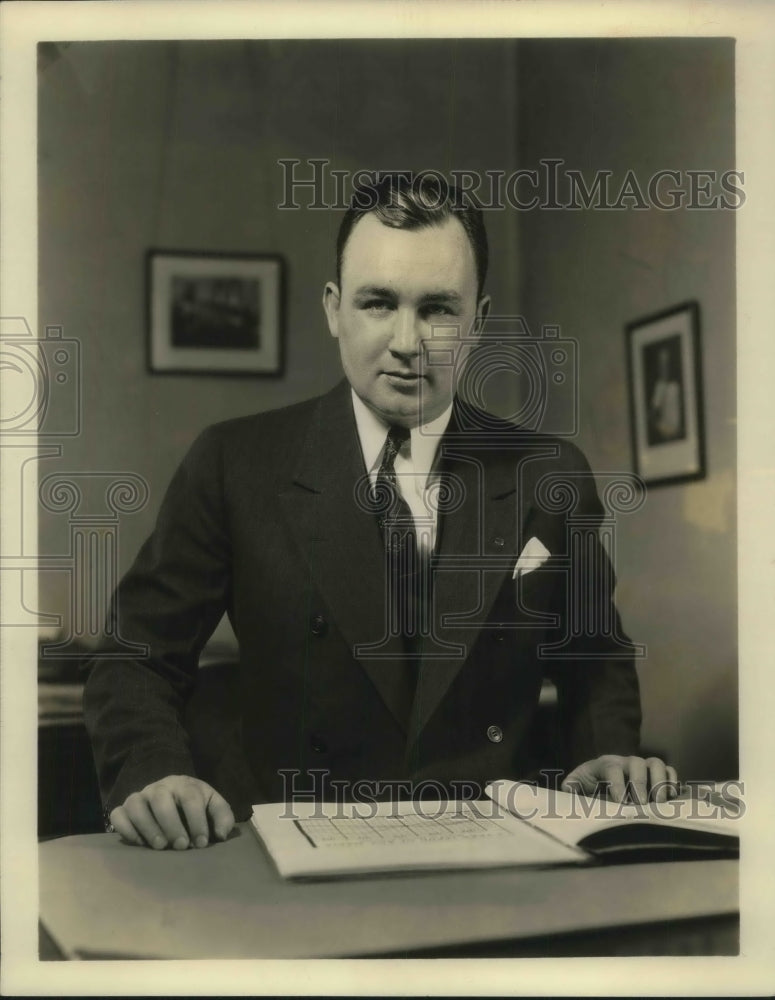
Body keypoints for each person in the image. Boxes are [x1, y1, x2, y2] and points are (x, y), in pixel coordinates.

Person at [84, 174, 677, 851]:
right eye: (377, 302)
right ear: (334, 310)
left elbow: (593, 658)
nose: (407, 340)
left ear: (478, 320)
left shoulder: (549, 473)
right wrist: (153, 773)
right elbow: (136, 658)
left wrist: (602, 753)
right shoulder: (233, 462)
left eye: (437, 310)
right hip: (284, 853)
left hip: (488, 852)